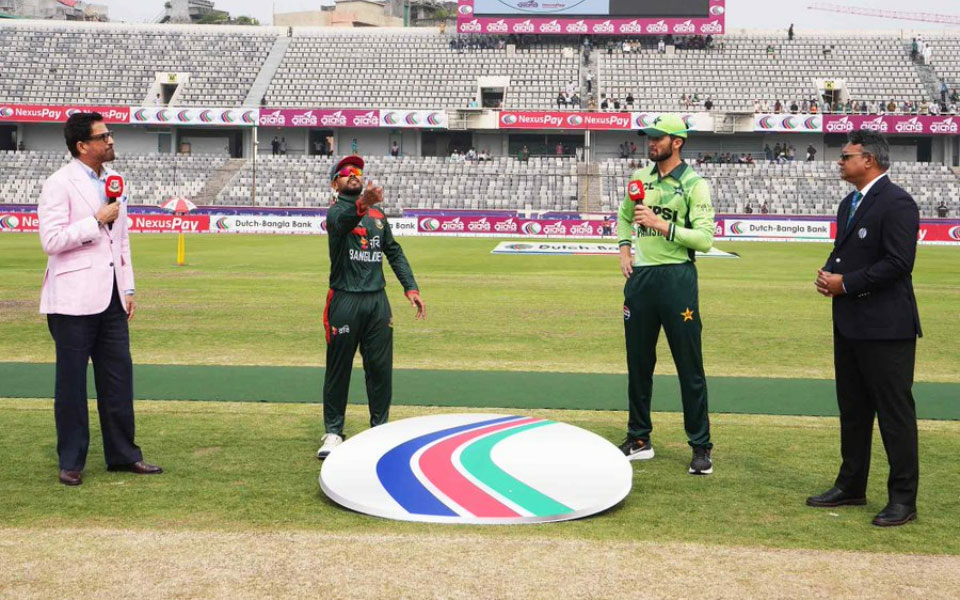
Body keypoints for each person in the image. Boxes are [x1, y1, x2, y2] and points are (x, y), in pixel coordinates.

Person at [38, 112, 162, 486]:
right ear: (82, 145)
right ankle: (71, 460)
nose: (111, 140)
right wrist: (95, 220)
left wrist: (128, 288)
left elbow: (121, 242)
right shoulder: (59, 183)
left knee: (118, 380)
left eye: (109, 134)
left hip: (111, 298)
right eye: (103, 136)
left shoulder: (114, 182)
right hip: (71, 300)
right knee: (72, 385)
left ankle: (124, 455)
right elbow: (51, 240)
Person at [809, 130, 922, 527]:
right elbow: (849, 254)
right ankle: (851, 484)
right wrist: (830, 273)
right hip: (850, 323)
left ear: (869, 160)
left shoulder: (897, 202)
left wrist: (847, 283)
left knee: (894, 415)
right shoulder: (849, 203)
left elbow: (899, 263)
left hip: (886, 327)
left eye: (846, 156)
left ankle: (903, 499)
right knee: (854, 412)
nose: (840, 162)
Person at [616, 114, 716, 475]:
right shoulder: (639, 178)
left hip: (677, 279)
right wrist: (624, 248)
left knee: (689, 367)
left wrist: (662, 225)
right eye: (650, 137)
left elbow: (704, 239)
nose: (651, 142)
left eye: (658, 137)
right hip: (641, 280)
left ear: (677, 142)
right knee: (638, 365)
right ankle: (639, 439)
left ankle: (701, 446)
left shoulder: (694, 184)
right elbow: (624, 215)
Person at [317, 155, 426, 459]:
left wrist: (410, 287)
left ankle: (380, 430)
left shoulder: (378, 214)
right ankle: (333, 431)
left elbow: (393, 251)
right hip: (345, 299)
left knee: (379, 369)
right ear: (335, 183)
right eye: (346, 171)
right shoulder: (336, 211)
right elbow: (344, 221)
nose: (353, 174)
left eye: (358, 171)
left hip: (377, 301)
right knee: (338, 369)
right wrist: (363, 202)